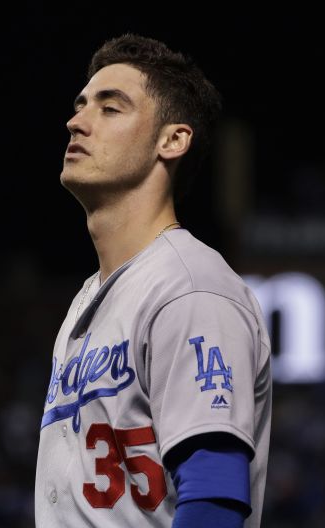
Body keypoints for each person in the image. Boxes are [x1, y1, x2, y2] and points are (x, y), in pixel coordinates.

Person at [35, 33, 271, 528]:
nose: (77, 122)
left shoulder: (190, 288)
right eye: (81, 106)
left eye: (110, 108)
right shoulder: (89, 298)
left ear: (173, 140)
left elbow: (214, 495)